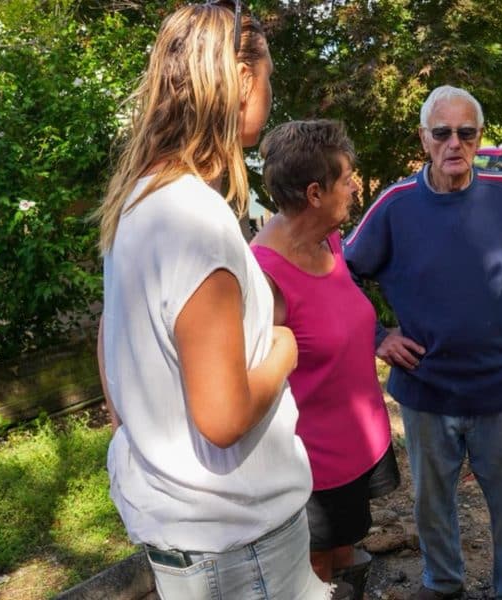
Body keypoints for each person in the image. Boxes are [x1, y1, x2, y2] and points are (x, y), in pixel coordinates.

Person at [95, 3, 331, 598]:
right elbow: (224, 417)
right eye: (269, 78)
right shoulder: (195, 219)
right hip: (240, 547)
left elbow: (110, 336)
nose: (271, 93)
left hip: (191, 537)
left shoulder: (139, 200)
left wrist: (146, 435)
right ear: (242, 80)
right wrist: (281, 349)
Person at [344, 85, 502, 600]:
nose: (455, 143)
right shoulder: (395, 204)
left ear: (478, 138)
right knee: (431, 502)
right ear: (424, 138)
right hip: (427, 391)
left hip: (500, 386)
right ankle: (443, 582)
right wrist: (378, 336)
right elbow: (343, 272)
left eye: (466, 133)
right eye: (443, 132)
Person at [250, 119, 400, 600]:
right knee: (312, 572)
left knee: (345, 555)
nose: (356, 186)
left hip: (357, 444)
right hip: (310, 468)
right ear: (315, 193)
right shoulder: (263, 276)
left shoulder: (330, 239)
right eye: (347, 178)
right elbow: (255, 382)